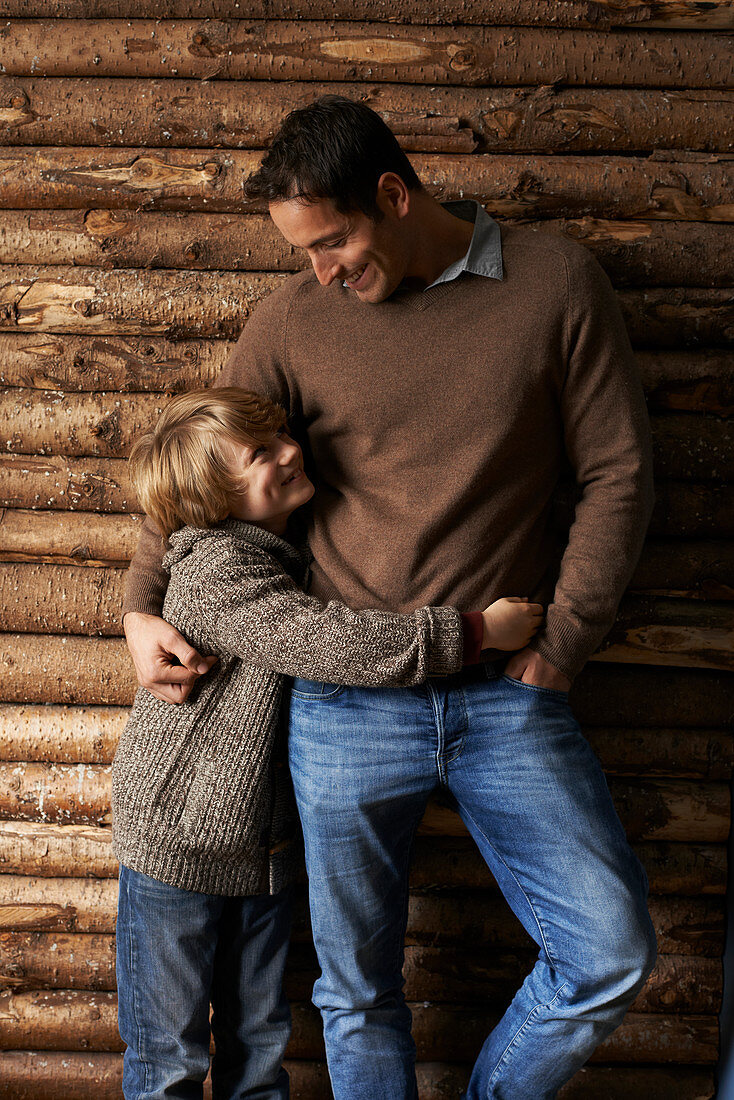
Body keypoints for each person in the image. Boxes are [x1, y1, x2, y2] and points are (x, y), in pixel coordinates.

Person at [122, 96, 658, 1099]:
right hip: (342, 709)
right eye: (303, 252)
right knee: (355, 991)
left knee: (607, 948)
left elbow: (616, 474)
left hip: (507, 691)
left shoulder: (553, 284)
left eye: (330, 242)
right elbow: (197, 468)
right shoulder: (289, 318)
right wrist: (141, 606)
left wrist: (561, 649)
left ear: (393, 194)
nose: (319, 271)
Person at [113, 385, 543, 1100]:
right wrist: (472, 633)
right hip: (176, 845)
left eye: (282, 434)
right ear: (213, 499)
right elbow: (329, 643)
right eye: (260, 454)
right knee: (168, 1061)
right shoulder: (217, 572)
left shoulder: (283, 552)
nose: (290, 450)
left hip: (263, 850)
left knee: (258, 1053)